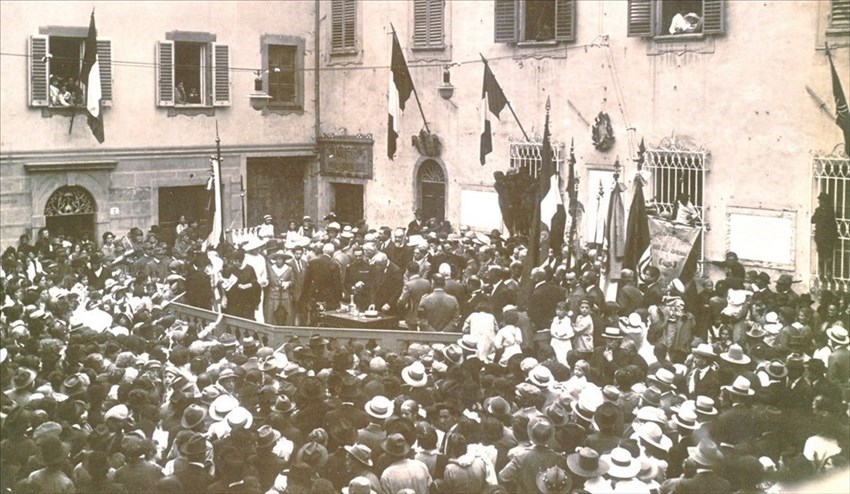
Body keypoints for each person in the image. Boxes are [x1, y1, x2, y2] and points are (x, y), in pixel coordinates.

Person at [811, 192, 839, 278]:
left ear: (824, 201)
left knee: (824, 254)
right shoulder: (827, 210)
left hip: (825, 236)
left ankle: (825, 272)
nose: (819, 202)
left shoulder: (824, 210)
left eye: (820, 200)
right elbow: (813, 220)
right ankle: (825, 272)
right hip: (825, 236)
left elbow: (813, 220)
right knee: (825, 254)